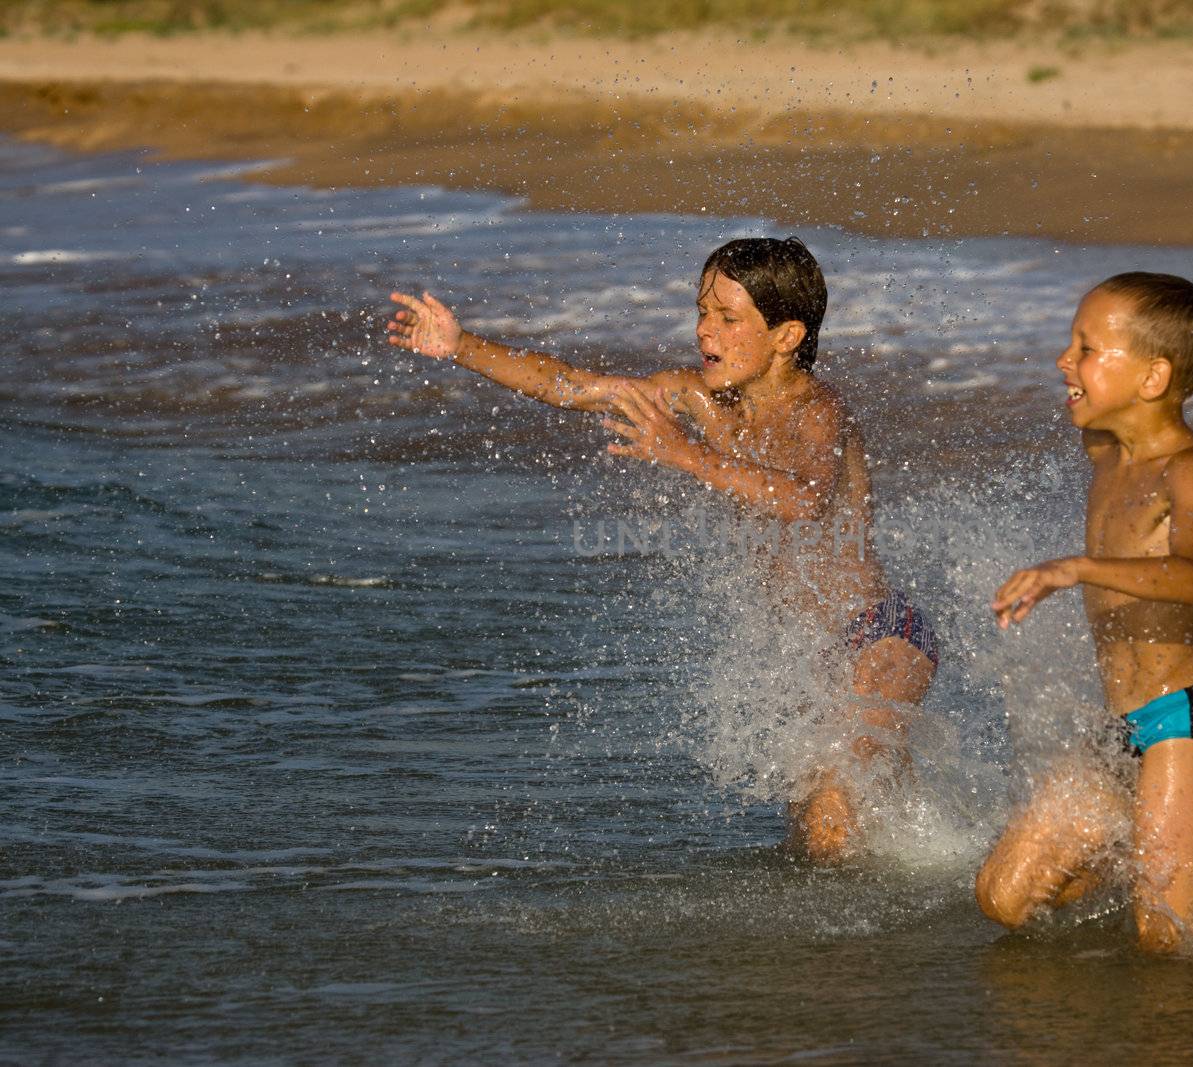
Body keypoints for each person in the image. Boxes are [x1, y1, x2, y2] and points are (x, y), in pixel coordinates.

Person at [385, 237, 939, 863]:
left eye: (730, 319)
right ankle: (932, 878)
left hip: (881, 636)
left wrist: (684, 454)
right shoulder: (697, 397)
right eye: (703, 312)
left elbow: (806, 498)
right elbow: (576, 386)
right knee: (829, 843)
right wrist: (460, 346)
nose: (707, 332)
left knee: (832, 827)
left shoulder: (818, 409)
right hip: (810, 664)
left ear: (786, 336)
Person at [976, 271, 1193, 953]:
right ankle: (1153, 857)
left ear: (1153, 377)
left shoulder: (1189, 469)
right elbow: (1092, 408)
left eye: (1087, 348)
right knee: (1003, 897)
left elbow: (1192, 575)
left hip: (1182, 721)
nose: (1064, 360)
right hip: (1119, 732)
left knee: (1165, 942)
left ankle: (1175, 867)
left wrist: (1073, 568)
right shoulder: (1106, 449)